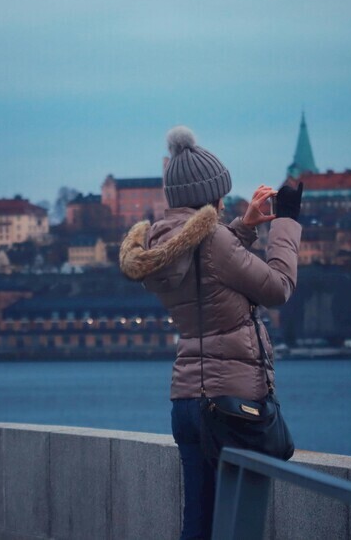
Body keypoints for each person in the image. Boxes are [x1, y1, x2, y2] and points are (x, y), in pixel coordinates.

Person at [119, 125, 303, 540]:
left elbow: (208, 267)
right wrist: (287, 224)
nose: (224, 204)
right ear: (210, 196)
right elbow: (278, 288)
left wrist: (243, 227)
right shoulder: (215, 243)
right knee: (237, 525)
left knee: (198, 523)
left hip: (187, 402)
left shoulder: (162, 244)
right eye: (221, 195)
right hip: (231, 404)